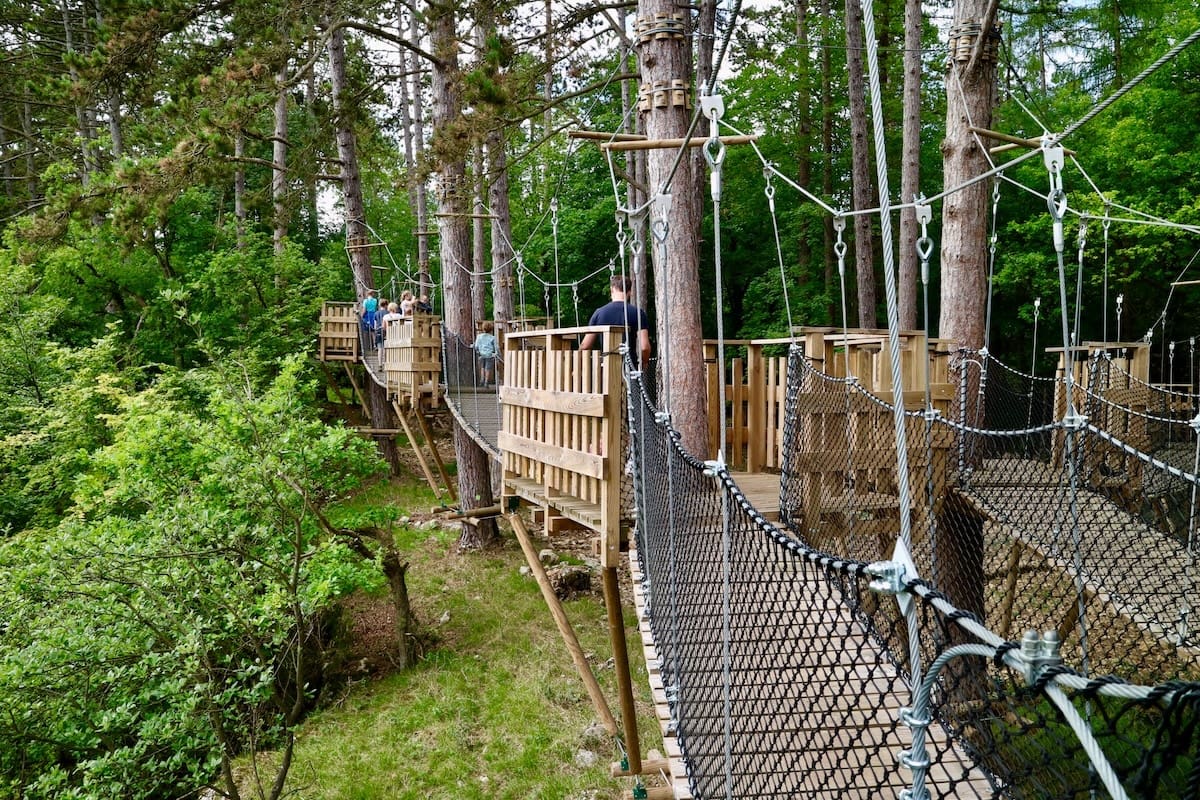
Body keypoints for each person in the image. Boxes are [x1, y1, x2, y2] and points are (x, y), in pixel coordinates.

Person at [579, 275, 652, 367]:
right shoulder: (637, 313)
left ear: (611, 289)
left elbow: (585, 345)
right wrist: (644, 362)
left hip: (606, 368)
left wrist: (578, 364)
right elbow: (645, 347)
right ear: (629, 292)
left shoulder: (599, 313)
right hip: (629, 367)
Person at [474, 321, 498, 387]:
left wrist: (478, 351)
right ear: (491, 329)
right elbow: (496, 347)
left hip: (481, 354)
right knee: (488, 368)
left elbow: (476, 346)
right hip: (489, 355)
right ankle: (486, 382)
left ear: (483, 328)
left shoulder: (479, 336)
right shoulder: (493, 338)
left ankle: (482, 380)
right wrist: (497, 353)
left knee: (482, 367)